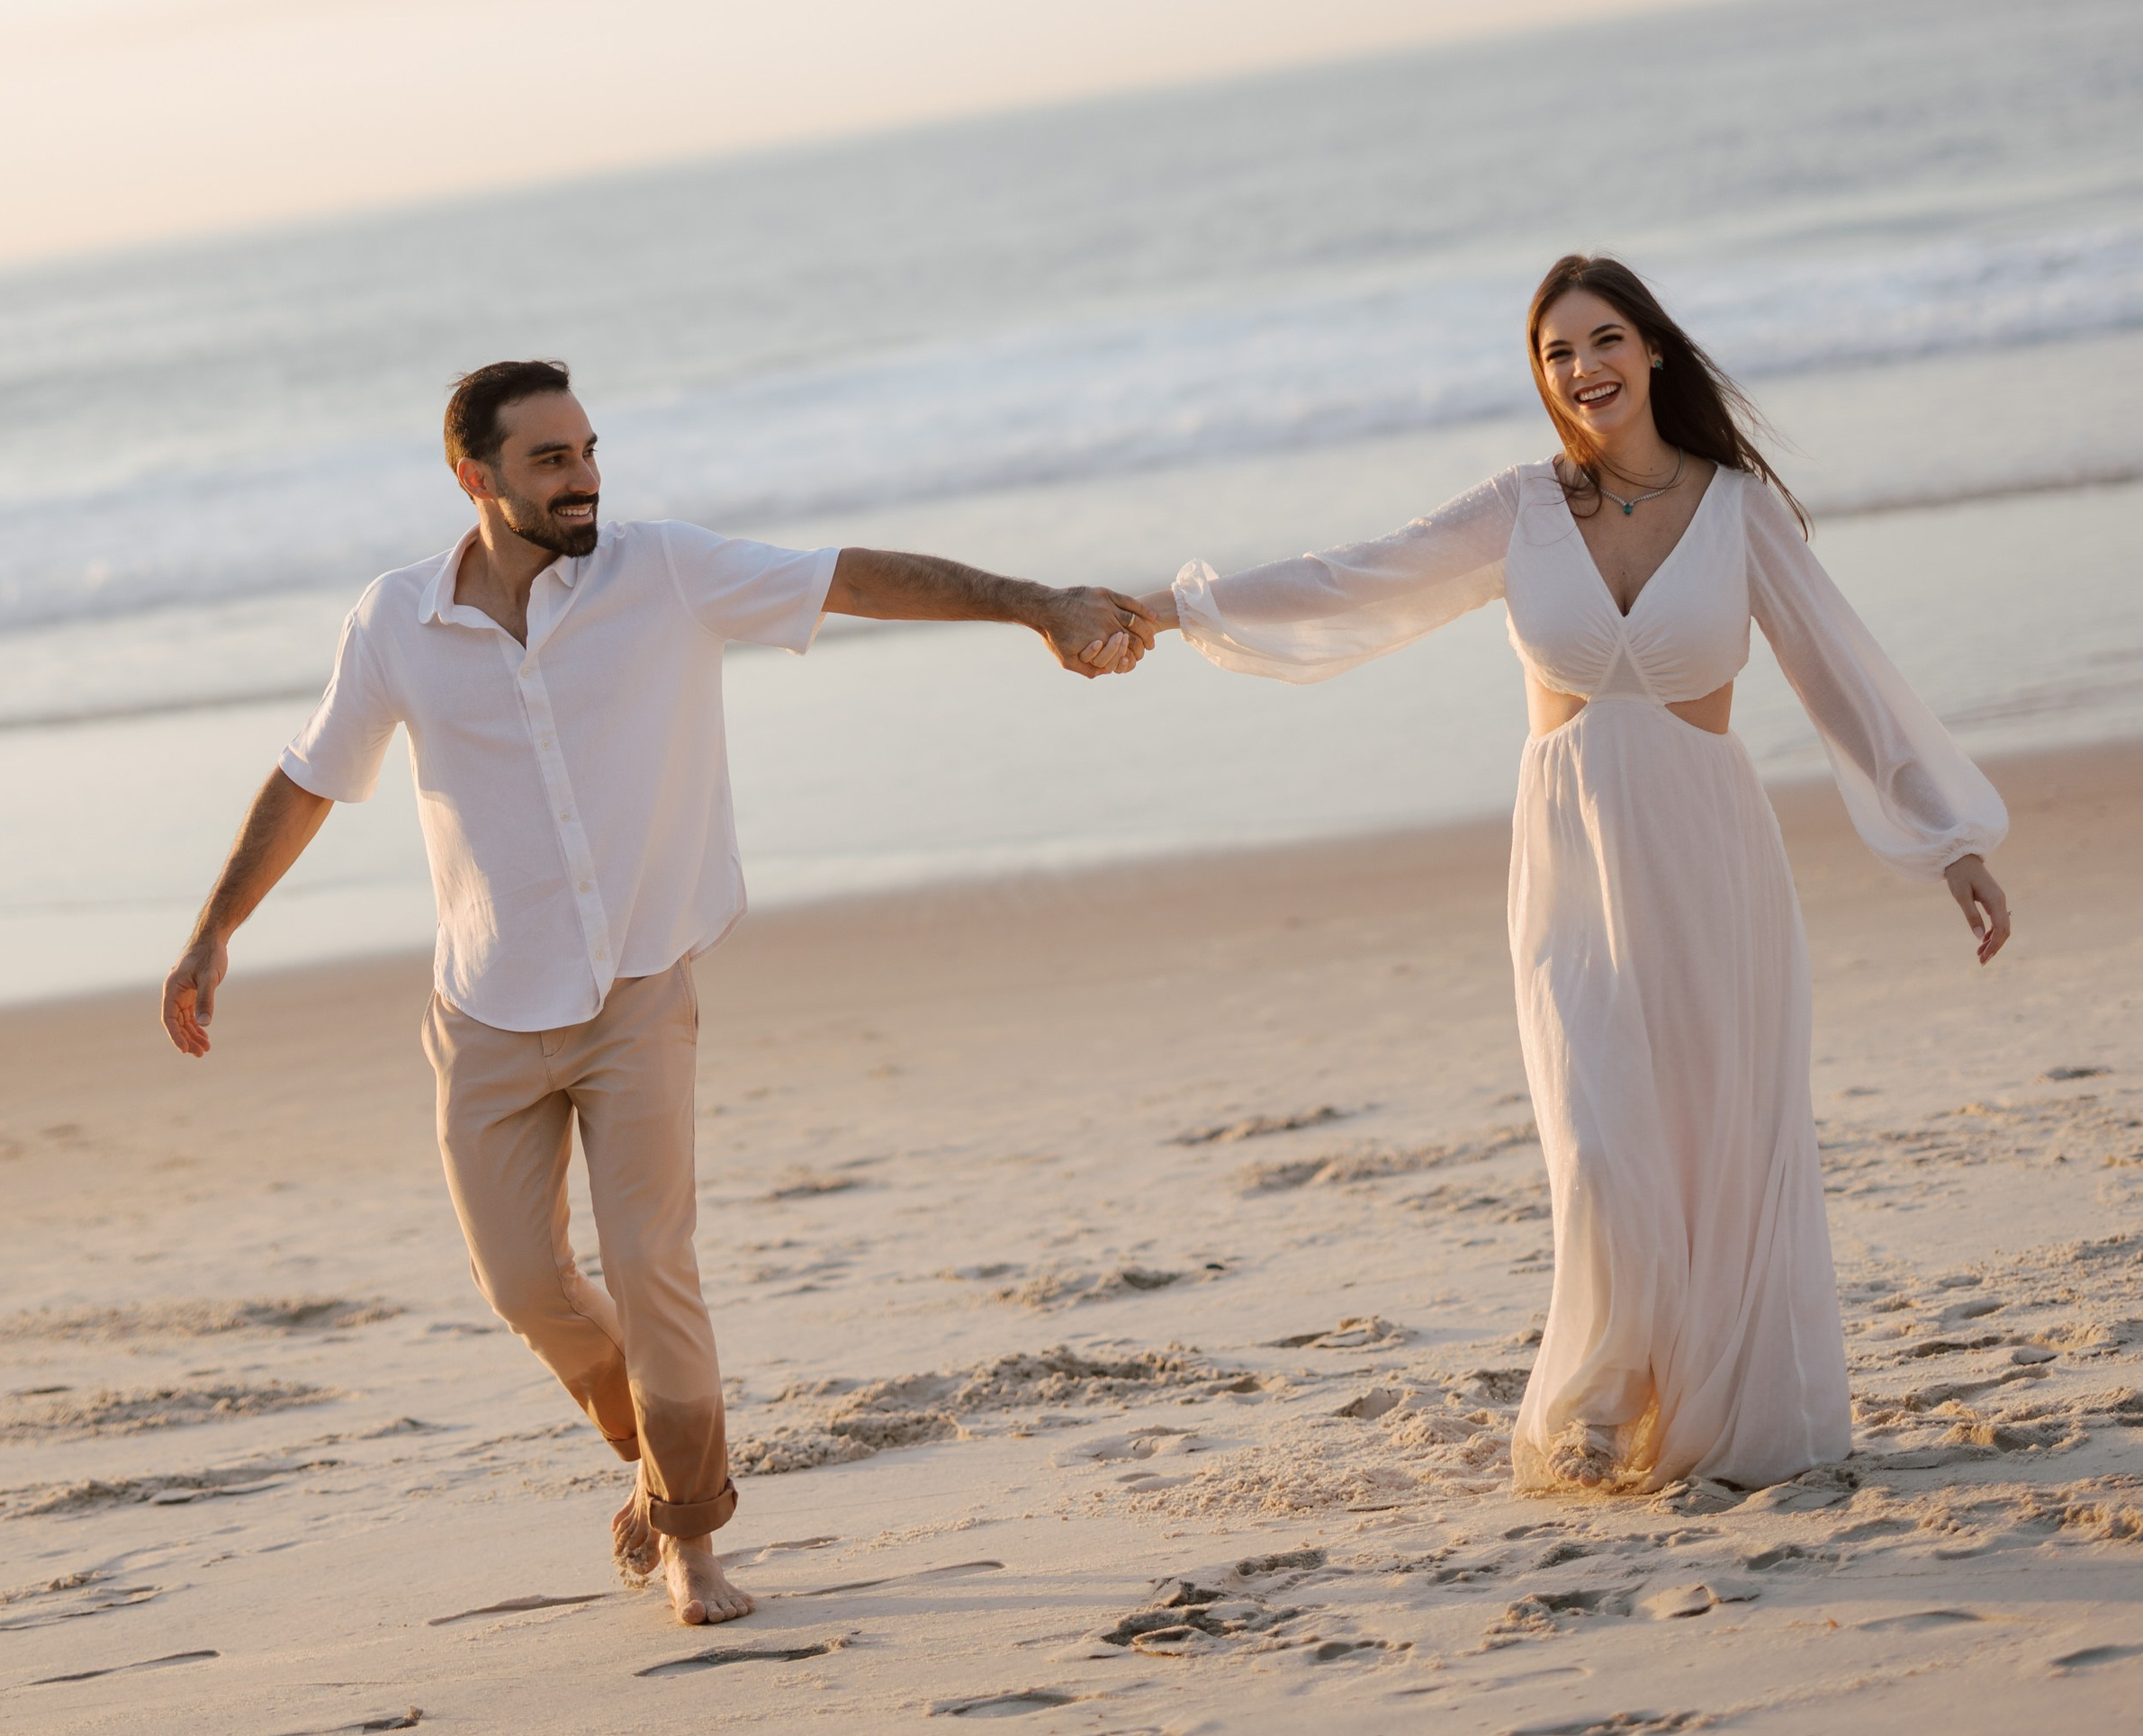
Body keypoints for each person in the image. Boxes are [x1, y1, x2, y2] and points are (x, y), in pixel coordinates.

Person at [163, 357, 1149, 1625]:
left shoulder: (666, 570)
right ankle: (657, 1456)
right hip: (485, 1006)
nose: (584, 479)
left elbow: (849, 577)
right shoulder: (397, 620)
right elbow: (311, 775)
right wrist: (215, 931)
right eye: (550, 460)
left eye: (588, 451)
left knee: (652, 1269)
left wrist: (1036, 604)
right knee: (526, 1290)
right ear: (474, 477)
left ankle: (691, 1535)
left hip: (637, 990)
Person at [1128, 254, 2012, 1498]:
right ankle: (1604, 1392)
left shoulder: (1738, 510)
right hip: (1570, 857)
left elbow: (1844, 677)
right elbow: (1352, 577)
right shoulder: (1521, 507)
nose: (1583, 368)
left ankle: (1711, 1401)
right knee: (1600, 1139)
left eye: (1604, 340)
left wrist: (1951, 843)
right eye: (1557, 352)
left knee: (1718, 1139)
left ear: (1652, 350)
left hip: (1709, 857)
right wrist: (1167, 610)